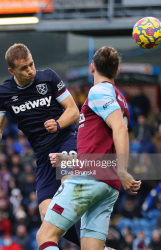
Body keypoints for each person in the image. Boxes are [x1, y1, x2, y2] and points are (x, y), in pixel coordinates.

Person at [37, 46, 141, 250]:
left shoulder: (99, 91)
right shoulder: (120, 100)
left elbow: (119, 129)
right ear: (117, 70)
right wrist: (69, 161)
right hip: (107, 184)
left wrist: (123, 171)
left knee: (45, 235)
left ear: (92, 67)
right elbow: (102, 149)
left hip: (90, 178)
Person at [0, 43, 81, 245]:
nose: (30, 70)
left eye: (31, 64)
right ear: (12, 70)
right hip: (43, 154)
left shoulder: (48, 77)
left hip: (67, 139)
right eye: (24, 68)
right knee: (48, 217)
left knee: (68, 189)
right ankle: (92, 245)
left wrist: (58, 123)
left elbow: (74, 111)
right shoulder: (3, 93)